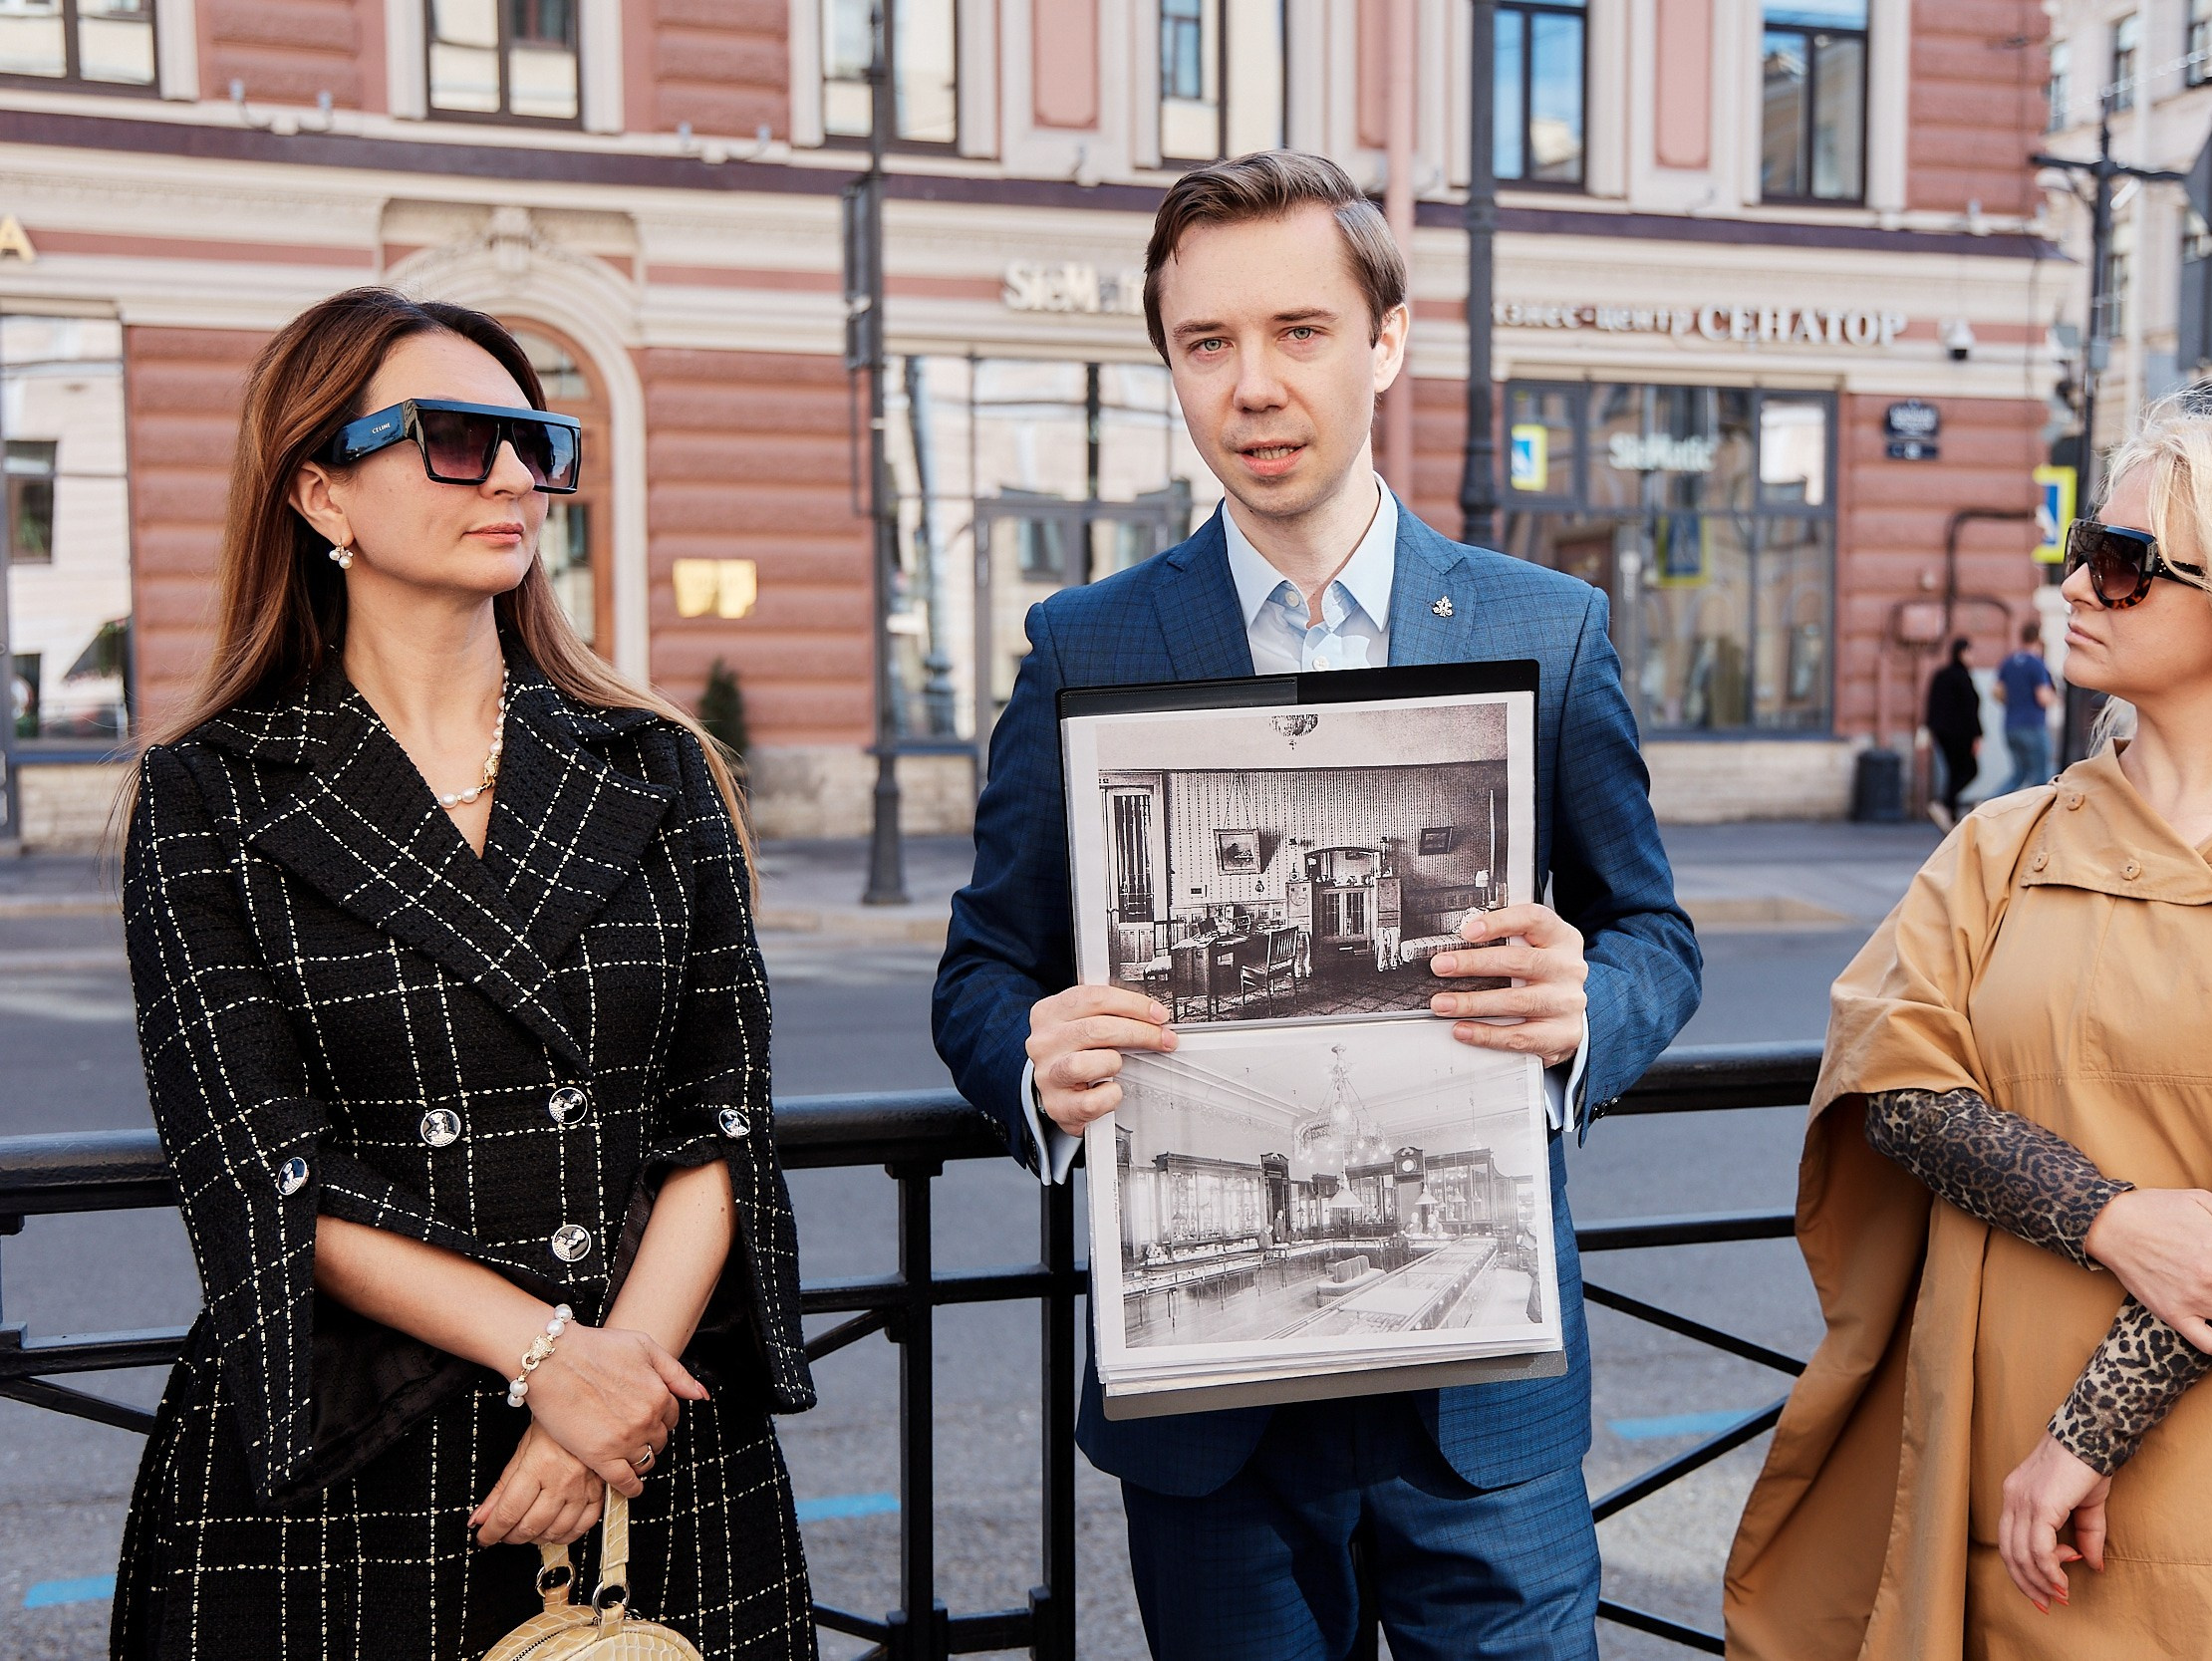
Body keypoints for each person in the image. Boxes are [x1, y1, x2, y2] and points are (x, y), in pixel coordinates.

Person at [933, 151, 1702, 1661]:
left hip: (1483, 1407)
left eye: (1299, 331)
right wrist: (1031, 1055)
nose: (1254, 386)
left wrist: (1588, 1008)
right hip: (1213, 1426)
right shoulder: (1086, 643)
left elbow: (1654, 938)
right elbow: (984, 966)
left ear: (1385, 341)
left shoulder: (1544, 628)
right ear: (1170, 366)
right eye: (1205, 343)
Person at [1723, 400, 2212, 1658]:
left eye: (2124, 562)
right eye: (2083, 545)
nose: (2074, 583)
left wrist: (2082, 1436)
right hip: (1976, 1428)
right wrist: (2108, 1217)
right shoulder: (2001, 843)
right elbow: (1893, 1081)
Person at [111, 289, 816, 1660]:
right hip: (357, 1443)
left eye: (532, 442)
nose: (509, 477)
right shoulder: (209, 793)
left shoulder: (653, 762)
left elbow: (721, 1112)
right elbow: (258, 1159)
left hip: (651, 1435)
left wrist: (610, 1392)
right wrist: (552, 1358)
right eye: (452, 438)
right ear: (320, 489)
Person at [1923, 637, 1982, 830]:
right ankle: (1944, 804)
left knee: (1954, 771)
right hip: (1960, 734)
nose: (1973, 657)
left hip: (1942, 733)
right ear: (1962, 653)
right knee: (1969, 770)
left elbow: (1931, 704)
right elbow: (1970, 709)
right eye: (1971, 652)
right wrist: (1977, 735)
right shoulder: (1962, 677)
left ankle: (1951, 813)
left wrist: (1930, 728)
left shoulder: (1941, 674)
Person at [1994, 618, 2058, 791]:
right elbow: (2043, 697)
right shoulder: (2037, 664)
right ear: (2038, 638)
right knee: (2042, 777)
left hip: (2011, 726)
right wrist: (2055, 698)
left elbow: (1997, 692)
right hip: (2033, 725)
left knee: (2018, 775)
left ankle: (1988, 802)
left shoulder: (2008, 662)